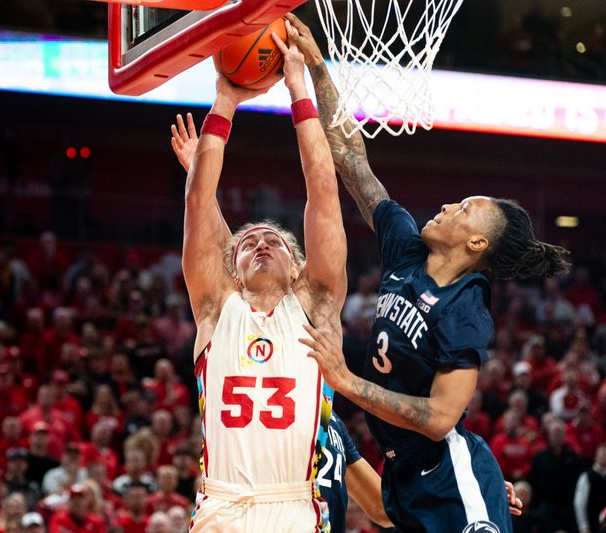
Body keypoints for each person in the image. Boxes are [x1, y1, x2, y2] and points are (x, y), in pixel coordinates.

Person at [284, 12, 564, 532]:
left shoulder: (466, 308)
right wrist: (317, 66)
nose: (450, 205)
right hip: (408, 474)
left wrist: (344, 381)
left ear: (477, 243)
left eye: (466, 207)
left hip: (446, 470)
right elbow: (352, 159)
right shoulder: (407, 249)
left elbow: (439, 419)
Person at [177, 18, 381, 532]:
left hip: (294, 505)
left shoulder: (315, 305)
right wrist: (224, 102)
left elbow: (324, 197)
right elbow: (201, 204)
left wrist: (298, 89)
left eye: (274, 241)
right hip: (220, 506)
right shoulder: (215, 307)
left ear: (299, 268)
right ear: (232, 267)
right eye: (247, 243)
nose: (261, 243)